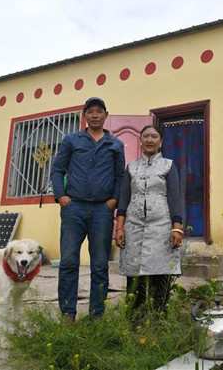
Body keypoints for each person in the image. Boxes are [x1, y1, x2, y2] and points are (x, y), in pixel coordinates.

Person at [51, 97, 125, 322]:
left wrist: (114, 200)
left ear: (106, 115)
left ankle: (96, 316)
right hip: (74, 208)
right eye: (90, 111)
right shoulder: (71, 140)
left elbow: (120, 176)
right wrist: (61, 196)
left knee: (100, 264)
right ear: (84, 115)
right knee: (68, 261)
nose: (94, 115)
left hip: (102, 211)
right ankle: (68, 314)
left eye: (99, 111)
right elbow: (57, 170)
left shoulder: (115, 144)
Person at [114, 125, 184, 320]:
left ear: (161, 141)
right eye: (145, 136)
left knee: (160, 274)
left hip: (161, 226)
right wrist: (119, 227)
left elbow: (175, 198)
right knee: (134, 276)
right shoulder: (131, 167)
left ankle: (159, 320)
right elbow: (124, 199)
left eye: (154, 136)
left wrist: (177, 229)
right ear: (141, 140)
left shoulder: (169, 166)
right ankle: (134, 320)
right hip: (134, 226)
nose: (150, 140)